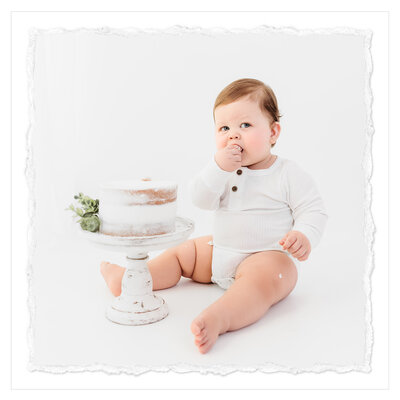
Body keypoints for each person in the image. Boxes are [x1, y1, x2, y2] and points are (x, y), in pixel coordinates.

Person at [100, 78, 328, 354]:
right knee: (186, 252)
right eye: (224, 128)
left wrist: (303, 235)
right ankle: (131, 279)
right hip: (220, 253)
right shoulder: (220, 170)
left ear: (273, 132)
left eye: (245, 125)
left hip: (268, 256)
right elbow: (201, 199)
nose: (233, 135)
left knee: (261, 281)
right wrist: (218, 168)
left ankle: (220, 317)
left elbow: (313, 209)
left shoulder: (287, 173)